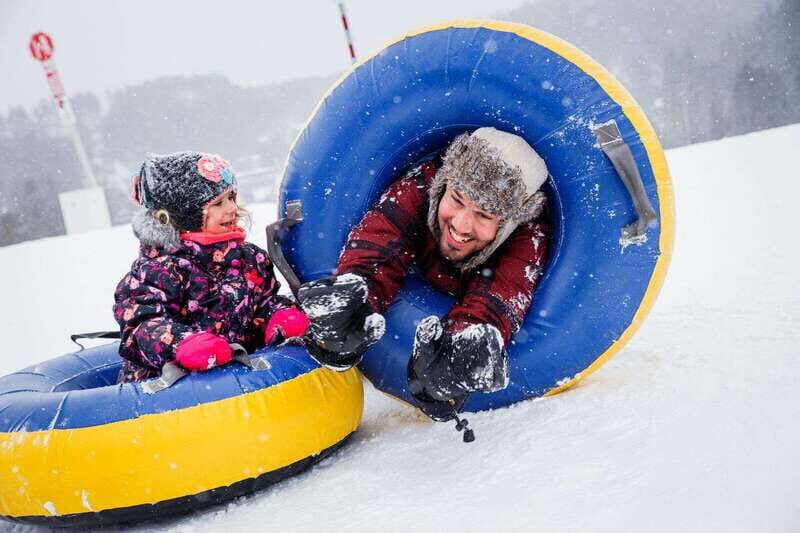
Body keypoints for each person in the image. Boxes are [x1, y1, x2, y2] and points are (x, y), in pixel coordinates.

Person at [298, 127, 550, 421]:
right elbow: (380, 245)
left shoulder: (525, 240)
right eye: (457, 199)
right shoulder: (420, 187)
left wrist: (455, 356)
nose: (462, 225)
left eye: (484, 215)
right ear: (444, 186)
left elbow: (501, 295)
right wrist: (355, 306)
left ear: (507, 225)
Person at [114, 151, 309, 383]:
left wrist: (277, 314)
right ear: (184, 216)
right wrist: (181, 343)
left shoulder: (249, 258)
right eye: (217, 203)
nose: (231, 209)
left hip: (239, 378)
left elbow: (261, 303)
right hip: (174, 389)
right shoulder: (158, 271)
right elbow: (140, 325)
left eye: (231, 198)